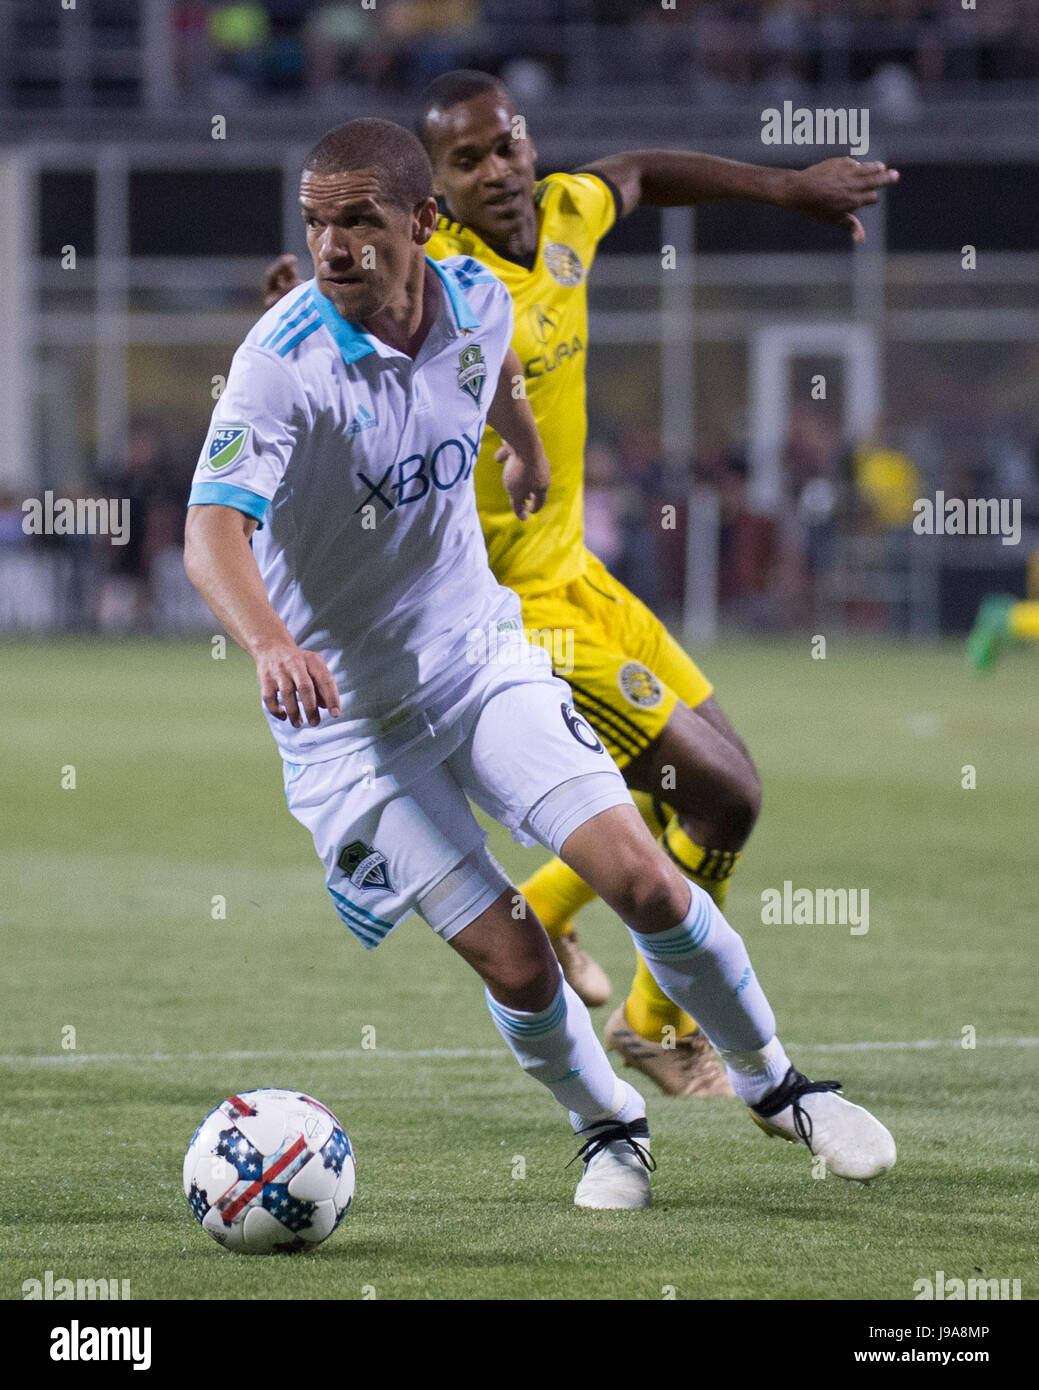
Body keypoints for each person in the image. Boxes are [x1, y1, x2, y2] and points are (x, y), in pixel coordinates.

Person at [186, 118, 895, 1210]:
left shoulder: (475, 298)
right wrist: (271, 642)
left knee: (647, 879)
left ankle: (779, 1087)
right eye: (317, 222)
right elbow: (210, 534)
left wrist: (518, 438)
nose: (331, 246)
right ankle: (608, 1125)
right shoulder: (279, 367)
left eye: (359, 221)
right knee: (515, 959)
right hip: (350, 729)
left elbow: (495, 362)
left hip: (477, 663)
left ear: (423, 225)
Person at [968, 595, 1039, 671]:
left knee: (994, 614)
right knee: (993, 610)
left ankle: (980, 659)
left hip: (1015, 622)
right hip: (1016, 620)